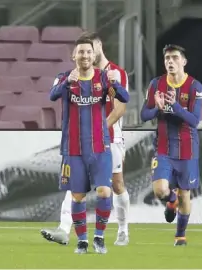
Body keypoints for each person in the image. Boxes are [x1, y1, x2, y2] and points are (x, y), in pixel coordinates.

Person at [41, 32, 130, 246]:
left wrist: (97, 130)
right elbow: (52, 95)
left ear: (98, 47)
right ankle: (65, 229)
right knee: (76, 187)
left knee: (115, 186)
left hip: (109, 138)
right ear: (75, 54)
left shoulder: (115, 73)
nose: (87, 53)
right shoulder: (68, 77)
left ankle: (123, 230)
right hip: (79, 143)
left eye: (91, 48)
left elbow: (121, 107)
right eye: (82, 50)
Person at [140, 44, 202, 246]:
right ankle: (170, 199)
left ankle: (180, 236)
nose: (170, 61)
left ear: (183, 62)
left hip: (187, 148)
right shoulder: (156, 84)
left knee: (186, 194)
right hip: (163, 148)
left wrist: (175, 106)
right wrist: (157, 109)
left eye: (175, 58)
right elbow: (144, 115)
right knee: (160, 190)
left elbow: (194, 120)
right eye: (167, 58)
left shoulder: (194, 86)